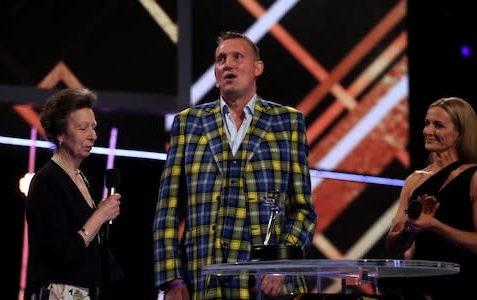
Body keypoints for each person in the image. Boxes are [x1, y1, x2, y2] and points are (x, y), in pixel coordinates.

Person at [153, 31, 317, 300]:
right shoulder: (188, 123)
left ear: (257, 68)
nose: (227, 64)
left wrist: (281, 265)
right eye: (220, 59)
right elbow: (167, 209)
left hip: (266, 286)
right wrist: (171, 278)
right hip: (202, 279)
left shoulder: (287, 122)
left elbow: (303, 210)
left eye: (237, 57)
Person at [25, 88, 122, 300]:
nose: (93, 136)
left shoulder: (81, 177)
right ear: (60, 134)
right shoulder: (46, 181)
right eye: (82, 128)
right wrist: (99, 216)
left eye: (93, 128)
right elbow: (58, 254)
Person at [385, 97, 477, 299]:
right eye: (427, 123)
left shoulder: (474, 178)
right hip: (418, 289)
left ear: (460, 133)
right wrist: (410, 228)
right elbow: (393, 247)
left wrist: (434, 225)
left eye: (438, 125)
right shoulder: (414, 180)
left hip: (462, 287)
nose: (428, 131)